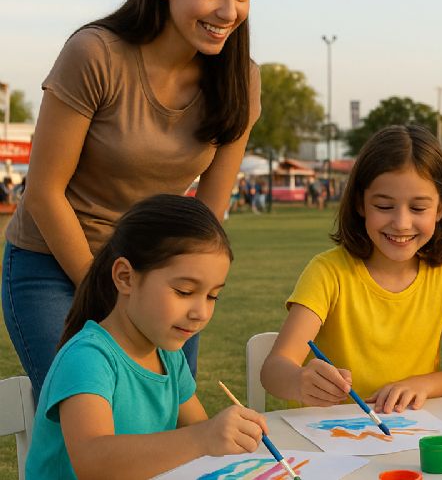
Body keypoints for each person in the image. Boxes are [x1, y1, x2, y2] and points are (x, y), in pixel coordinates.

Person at [2, 0, 261, 397]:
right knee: (88, 425)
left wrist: (177, 289)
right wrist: (112, 295)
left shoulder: (242, 77)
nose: (228, 12)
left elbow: (205, 219)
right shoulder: (95, 53)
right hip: (54, 266)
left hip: (162, 276)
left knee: (164, 423)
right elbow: (42, 191)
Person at [25, 195, 268, 479]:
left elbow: (199, 428)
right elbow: (92, 461)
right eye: (185, 291)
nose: (201, 312)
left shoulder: (169, 356)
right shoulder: (88, 358)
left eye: (213, 295)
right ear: (126, 277)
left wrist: (225, 434)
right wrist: (203, 437)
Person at [260, 125, 442, 414]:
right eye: (383, 206)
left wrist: (423, 385)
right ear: (360, 203)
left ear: (441, 208)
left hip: (408, 437)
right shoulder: (328, 273)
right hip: (329, 441)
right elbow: (274, 369)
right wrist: (299, 380)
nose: (401, 223)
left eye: (418, 209)